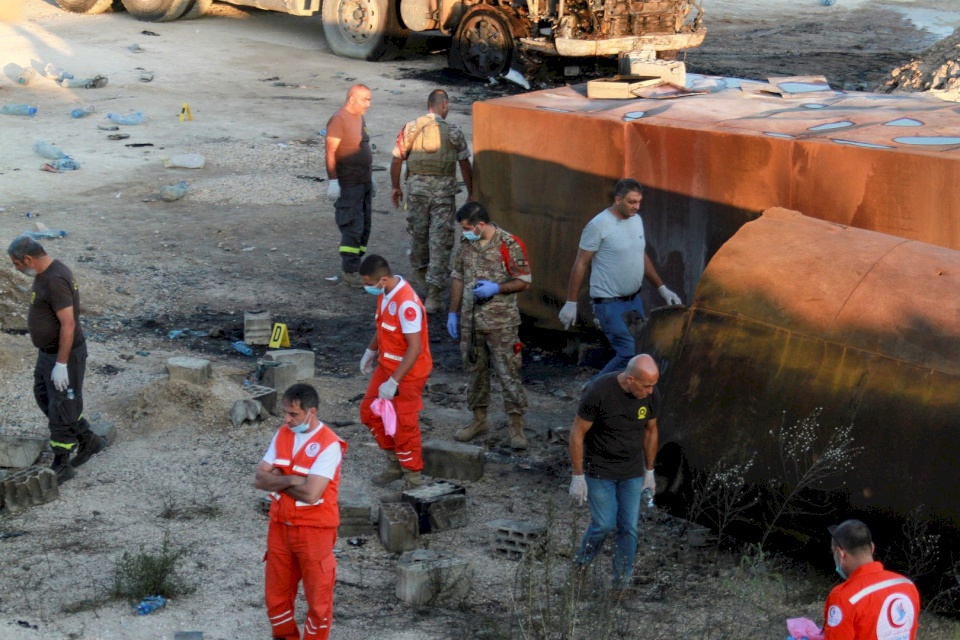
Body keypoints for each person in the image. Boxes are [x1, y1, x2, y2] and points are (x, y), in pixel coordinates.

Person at [558, 178, 682, 378]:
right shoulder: (599, 225)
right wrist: (571, 302)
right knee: (629, 354)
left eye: (639, 202)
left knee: (642, 351)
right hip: (609, 303)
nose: (637, 207)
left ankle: (623, 399)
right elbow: (580, 263)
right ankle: (592, 395)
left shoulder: (636, 220)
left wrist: (662, 288)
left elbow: (641, 255)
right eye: (632, 202)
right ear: (618, 199)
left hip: (633, 301)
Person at [8, 235, 104, 482]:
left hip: (64, 355)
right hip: (47, 353)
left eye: (17, 263)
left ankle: (62, 463)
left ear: (27, 258)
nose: (16, 268)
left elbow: (68, 323)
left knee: (61, 404)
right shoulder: (43, 275)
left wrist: (62, 364)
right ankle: (87, 439)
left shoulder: (55, 279)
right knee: (44, 396)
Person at [255, 384, 347, 640]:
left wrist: (281, 479)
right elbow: (260, 479)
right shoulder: (283, 434)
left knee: (318, 599)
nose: (287, 420)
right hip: (280, 525)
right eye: (285, 413)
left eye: (293, 414)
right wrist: (293, 480)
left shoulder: (329, 444)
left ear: (311, 412)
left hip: (314, 530)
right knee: (276, 595)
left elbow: (311, 494)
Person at [569, 354, 660, 587]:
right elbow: (577, 433)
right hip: (599, 469)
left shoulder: (650, 395)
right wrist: (577, 476)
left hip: (631, 470)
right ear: (630, 379)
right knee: (604, 524)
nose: (650, 391)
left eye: (653, 385)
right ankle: (581, 563)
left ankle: (622, 583)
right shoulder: (598, 392)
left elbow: (651, 430)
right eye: (646, 385)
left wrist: (649, 471)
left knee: (629, 527)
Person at [446, 202, 532, 450]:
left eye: (466, 228)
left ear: (480, 225)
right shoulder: (466, 244)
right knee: (475, 372)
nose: (464, 232)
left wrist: (497, 288)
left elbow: (524, 281)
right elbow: (458, 276)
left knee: (508, 373)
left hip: (501, 323)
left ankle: (515, 426)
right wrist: (453, 313)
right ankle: (478, 420)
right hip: (471, 324)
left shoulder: (509, 244)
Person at [390, 88, 474, 314]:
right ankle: (434, 295)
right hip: (443, 196)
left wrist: (396, 187)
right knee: (440, 240)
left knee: (419, 235)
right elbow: (465, 164)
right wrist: (472, 193)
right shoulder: (454, 131)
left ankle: (421, 279)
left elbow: (397, 159)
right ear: (444, 105)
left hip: (416, 193)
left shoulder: (410, 128)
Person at [357, 254, 433, 492]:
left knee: (405, 427)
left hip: (407, 374)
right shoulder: (385, 293)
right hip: (388, 367)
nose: (366, 288)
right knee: (369, 412)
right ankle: (395, 465)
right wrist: (370, 351)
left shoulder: (407, 304)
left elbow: (415, 347)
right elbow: (382, 328)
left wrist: (393, 382)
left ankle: (413, 479)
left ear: (383, 279)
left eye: (369, 284)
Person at [823, 519, 919, 640]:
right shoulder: (907, 586)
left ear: (839, 554)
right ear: (872, 548)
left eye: (833, 553)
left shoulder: (844, 597)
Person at [325, 84, 375, 288]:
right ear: (352, 99)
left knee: (364, 228)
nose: (368, 104)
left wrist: (370, 176)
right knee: (352, 227)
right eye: (365, 100)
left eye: (370, 99)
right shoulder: (339, 119)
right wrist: (333, 181)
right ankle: (349, 272)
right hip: (348, 185)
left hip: (363, 183)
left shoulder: (359, 118)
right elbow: (330, 151)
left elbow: (362, 146)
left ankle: (356, 267)